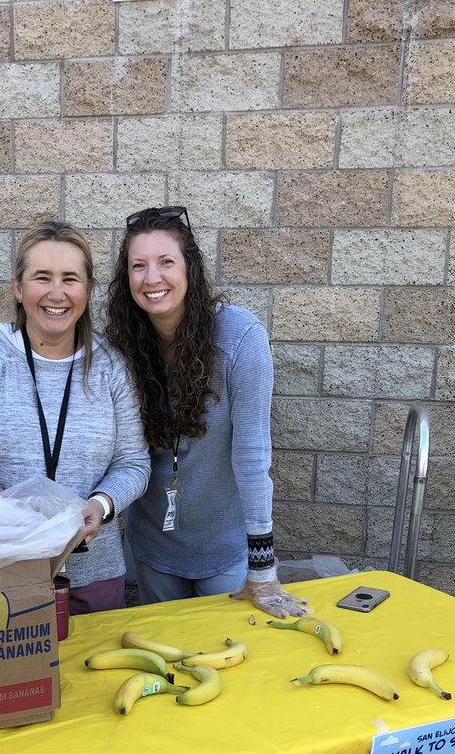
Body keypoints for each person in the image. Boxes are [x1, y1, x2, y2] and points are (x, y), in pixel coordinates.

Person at [0, 220, 150, 614]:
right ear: (18, 288)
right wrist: (4, 505)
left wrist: (100, 505)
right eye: (41, 278)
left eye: (70, 278)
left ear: (87, 289)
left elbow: (133, 463)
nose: (57, 293)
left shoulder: (112, 367)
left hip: (94, 574)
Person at [105, 205, 306, 617]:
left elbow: (252, 457)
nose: (152, 278)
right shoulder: (121, 345)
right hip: (152, 548)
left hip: (226, 551)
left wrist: (263, 568)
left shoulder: (240, 337)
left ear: (189, 268)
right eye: (137, 265)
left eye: (166, 262)